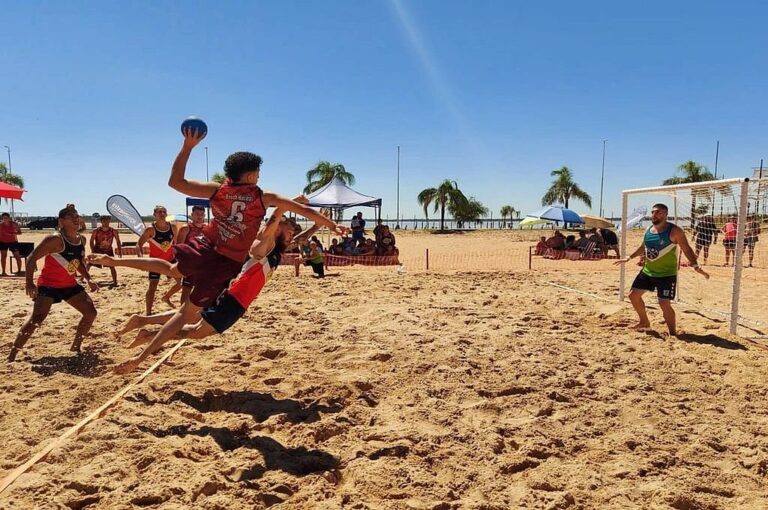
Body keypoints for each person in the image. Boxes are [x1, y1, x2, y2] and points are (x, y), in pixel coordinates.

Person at [90, 127, 348, 374]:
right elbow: (304, 211)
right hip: (225, 262)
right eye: (257, 174)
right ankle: (140, 357)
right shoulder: (263, 197)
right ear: (249, 177)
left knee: (171, 269)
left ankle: (114, 261)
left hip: (206, 246)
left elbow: (175, 182)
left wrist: (187, 146)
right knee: (184, 315)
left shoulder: (218, 190)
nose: (259, 177)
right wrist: (333, 224)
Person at [116, 210, 316, 350]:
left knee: (190, 314)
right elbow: (272, 223)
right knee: (194, 325)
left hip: (226, 282)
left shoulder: (278, 247)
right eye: (289, 232)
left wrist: (317, 226)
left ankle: (143, 321)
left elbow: (299, 240)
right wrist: (286, 206)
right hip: (230, 289)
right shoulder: (267, 240)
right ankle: (149, 334)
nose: (292, 237)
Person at [8, 207, 98, 362]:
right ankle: (12, 355)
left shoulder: (80, 239)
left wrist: (88, 278)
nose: (76, 219)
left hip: (69, 285)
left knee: (90, 313)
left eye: (77, 216)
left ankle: (76, 347)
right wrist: (29, 283)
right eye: (71, 217)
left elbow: (77, 262)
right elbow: (31, 258)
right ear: (61, 222)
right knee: (37, 319)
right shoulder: (55, 239)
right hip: (49, 285)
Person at [615, 203, 709, 336]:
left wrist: (695, 266)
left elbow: (686, 249)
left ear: (665, 214)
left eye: (658, 212)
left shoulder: (675, 231)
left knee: (664, 303)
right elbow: (643, 247)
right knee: (633, 296)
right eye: (653, 212)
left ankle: (673, 333)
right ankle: (644, 322)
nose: (654, 215)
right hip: (648, 271)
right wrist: (629, 257)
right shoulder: (648, 229)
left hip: (666, 274)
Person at [137, 205, 180, 313]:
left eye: (164, 212)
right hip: (155, 262)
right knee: (153, 286)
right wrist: (141, 258)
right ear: (154, 215)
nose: (162, 214)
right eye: (159, 212)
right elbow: (139, 244)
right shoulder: (150, 229)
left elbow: (177, 243)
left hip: (170, 260)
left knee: (182, 283)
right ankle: (148, 313)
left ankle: (166, 297)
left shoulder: (173, 227)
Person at [175, 205, 207, 304]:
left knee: (202, 291)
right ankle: (182, 314)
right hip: (190, 264)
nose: (199, 216)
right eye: (197, 214)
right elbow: (179, 248)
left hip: (203, 265)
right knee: (186, 290)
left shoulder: (207, 228)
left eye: (201, 214)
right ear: (192, 215)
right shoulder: (186, 228)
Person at [88, 215, 122, 286]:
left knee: (112, 266)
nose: (106, 222)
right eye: (104, 221)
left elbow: (118, 241)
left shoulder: (113, 231)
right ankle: (83, 279)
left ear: (109, 221)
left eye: (107, 220)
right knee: (89, 264)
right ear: (101, 221)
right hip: (98, 250)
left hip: (108, 251)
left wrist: (120, 251)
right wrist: (93, 250)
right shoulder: (96, 231)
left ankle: (115, 282)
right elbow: (91, 241)